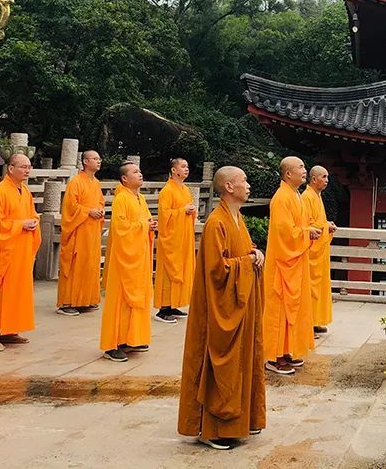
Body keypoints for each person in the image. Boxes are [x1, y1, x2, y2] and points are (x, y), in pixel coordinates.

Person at [178, 166, 266, 451]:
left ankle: (239, 422)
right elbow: (218, 270)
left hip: (238, 305)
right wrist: (246, 264)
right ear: (229, 186)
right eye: (244, 180)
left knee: (241, 363)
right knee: (222, 366)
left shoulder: (236, 218)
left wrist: (255, 253)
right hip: (221, 308)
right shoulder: (217, 222)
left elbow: (242, 249)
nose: (249, 185)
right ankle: (213, 430)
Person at [263, 156, 320, 375]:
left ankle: (286, 351)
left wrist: (313, 230)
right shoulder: (281, 198)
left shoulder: (295, 196)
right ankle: (273, 357)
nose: (305, 170)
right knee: (279, 311)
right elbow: (285, 233)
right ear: (288, 174)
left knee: (293, 311)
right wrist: (308, 233)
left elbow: (300, 226)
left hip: (295, 262)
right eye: (301, 167)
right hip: (282, 265)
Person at [100, 161, 156, 362]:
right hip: (124, 259)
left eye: (140, 171)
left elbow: (144, 221)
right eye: (135, 172)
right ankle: (112, 345)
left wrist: (149, 226)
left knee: (138, 298)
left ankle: (131, 339)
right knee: (120, 301)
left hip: (139, 257)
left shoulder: (139, 198)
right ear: (124, 178)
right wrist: (143, 225)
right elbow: (120, 229)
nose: (140, 174)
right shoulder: (121, 199)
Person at [0, 154, 41, 352]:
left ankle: (9, 331)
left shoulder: (25, 190)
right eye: (23, 167)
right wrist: (20, 224)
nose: (27, 170)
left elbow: (32, 213)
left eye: (29, 166)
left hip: (22, 249)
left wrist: (34, 221)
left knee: (16, 292)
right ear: (10, 168)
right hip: (5, 250)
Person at [57, 150, 105, 316]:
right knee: (75, 264)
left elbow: (100, 202)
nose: (98, 161)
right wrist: (88, 212)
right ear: (85, 161)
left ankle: (85, 300)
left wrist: (99, 211)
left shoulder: (96, 182)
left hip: (91, 232)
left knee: (89, 265)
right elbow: (70, 207)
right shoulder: (76, 182)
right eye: (95, 158)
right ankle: (67, 302)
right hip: (78, 231)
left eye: (99, 159)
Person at [154, 157, 197, 323]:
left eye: (187, 166)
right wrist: (182, 211)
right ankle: (163, 309)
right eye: (183, 166)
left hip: (183, 238)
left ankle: (173, 304)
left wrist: (190, 211)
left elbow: (186, 211)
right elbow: (165, 216)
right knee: (168, 273)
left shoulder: (185, 189)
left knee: (181, 270)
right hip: (171, 239)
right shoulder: (167, 191)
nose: (186, 169)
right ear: (174, 170)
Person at [301, 166, 336, 336]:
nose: (327, 180)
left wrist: (326, 225)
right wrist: (325, 226)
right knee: (310, 288)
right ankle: (307, 324)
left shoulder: (316, 196)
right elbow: (306, 225)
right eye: (324, 176)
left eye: (327, 176)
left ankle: (315, 321)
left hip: (319, 251)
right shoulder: (307, 197)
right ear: (314, 179)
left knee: (319, 288)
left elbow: (316, 222)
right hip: (311, 251)